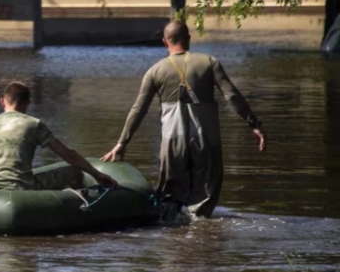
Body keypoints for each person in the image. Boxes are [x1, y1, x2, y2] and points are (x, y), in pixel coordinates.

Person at [101, 20, 266, 220]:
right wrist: (253, 124)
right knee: (205, 196)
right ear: (189, 39)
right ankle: (200, 234)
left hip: (172, 141)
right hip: (206, 139)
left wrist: (122, 143)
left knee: (169, 198)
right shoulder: (209, 62)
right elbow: (231, 96)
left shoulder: (155, 71)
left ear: (164, 42)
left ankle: (174, 240)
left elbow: (139, 109)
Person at [0, 82, 117, 191]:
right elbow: (68, 155)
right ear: (27, 103)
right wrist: (96, 174)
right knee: (74, 172)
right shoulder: (32, 124)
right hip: (20, 187)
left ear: (2, 101)